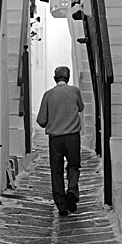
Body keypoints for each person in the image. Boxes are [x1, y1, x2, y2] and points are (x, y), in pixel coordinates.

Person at [36, 66, 84, 217]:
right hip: (72, 137)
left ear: (54, 78)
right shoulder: (75, 91)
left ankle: (61, 205)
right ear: (68, 77)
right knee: (74, 166)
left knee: (56, 171)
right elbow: (81, 107)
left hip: (55, 139)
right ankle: (72, 189)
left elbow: (41, 120)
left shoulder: (48, 95)